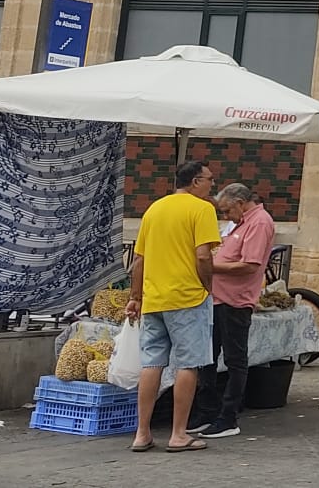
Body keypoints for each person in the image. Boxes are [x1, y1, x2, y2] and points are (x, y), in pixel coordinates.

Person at [125, 160, 223, 454]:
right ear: (195, 181)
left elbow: (138, 260)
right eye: (209, 179)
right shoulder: (201, 209)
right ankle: (178, 433)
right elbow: (203, 256)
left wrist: (135, 296)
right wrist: (208, 286)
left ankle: (142, 433)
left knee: (151, 363)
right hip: (187, 296)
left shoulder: (154, 209)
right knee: (188, 364)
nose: (212, 185)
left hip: (154, 298)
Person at [187, 183, 274, 439]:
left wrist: (210, 267)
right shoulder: (239, 223)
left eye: (227, 211)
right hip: (216, 298)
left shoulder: (259, 223)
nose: (225, 216)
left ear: (239, 202)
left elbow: (249, 265)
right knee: (207, 357)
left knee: (235, 360)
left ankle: (228, 416)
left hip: (235, 301)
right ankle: (206, 411)